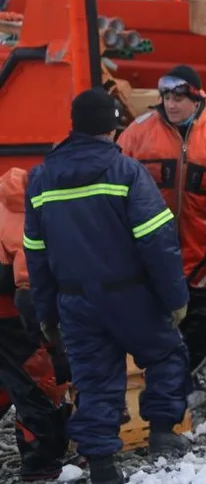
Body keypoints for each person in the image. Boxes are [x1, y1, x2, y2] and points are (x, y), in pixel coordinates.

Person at [24, 89, 190, 484]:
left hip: (76, 302)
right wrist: (175, 297)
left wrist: (47, 313)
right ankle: (164, 435)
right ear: (113, 127)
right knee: (167, 354)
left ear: (74, 126)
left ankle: (102, 465)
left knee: (95, 380)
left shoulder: (41, 179)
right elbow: (158, 241)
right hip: (131, 295)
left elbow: (36, 255)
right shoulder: (127, 172)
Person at [117, 65, 206, 379]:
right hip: (146, 241)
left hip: (197, 240)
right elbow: (112, 181)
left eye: (179, 97)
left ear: (196, 99)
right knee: (147, 306)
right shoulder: (138, 132)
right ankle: (146, 376)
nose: (171, 104)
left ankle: (195, 373)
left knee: (197, 306)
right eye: (166, 96)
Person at [0, 166, 69, 482]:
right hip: (13, 316)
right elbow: (28, 282)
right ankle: (41, 464)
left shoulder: (10, 200)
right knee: (40, 385)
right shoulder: (26, 211)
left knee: (10, 382)